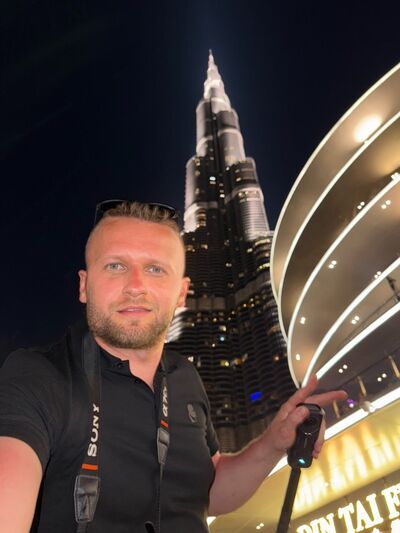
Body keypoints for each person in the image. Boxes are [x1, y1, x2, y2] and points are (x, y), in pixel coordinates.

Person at [0, 200, 347, 533]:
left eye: (155, 269)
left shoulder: (186, 378)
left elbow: (208, 493)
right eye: (115, 266)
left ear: (181, 293)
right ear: (84, 286)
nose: (135, 286)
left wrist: (272, 443)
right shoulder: (38, 377)